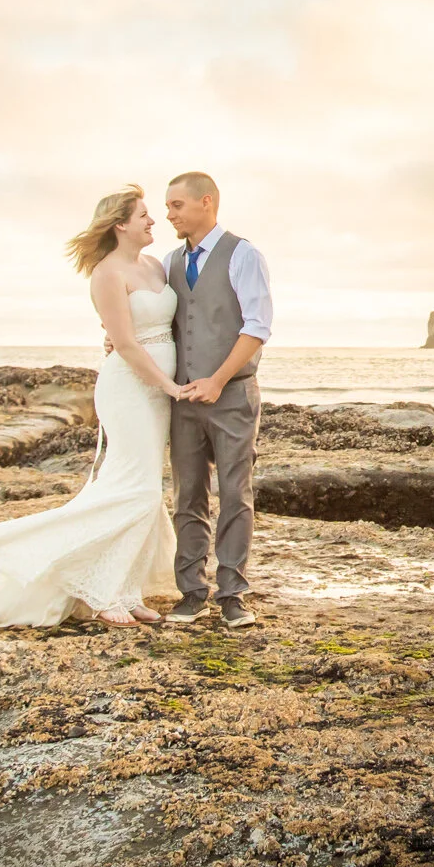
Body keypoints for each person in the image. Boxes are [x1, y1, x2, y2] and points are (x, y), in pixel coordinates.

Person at [0, 185, 181, 634]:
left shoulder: (154, 266)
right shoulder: (106, 274)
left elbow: (168, 325)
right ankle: (102, 592)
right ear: (120, 224)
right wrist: (170, 384)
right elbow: (125, 344)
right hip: (130, 389)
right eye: (145, 215)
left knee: (137, 487)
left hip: (157, 392)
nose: (154, 222)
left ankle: (125, 591)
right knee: (139, 490)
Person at [159, 171, 272, 628]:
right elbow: (169, 326)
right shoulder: (168, 262)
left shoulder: (243, 255)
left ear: (206, 202)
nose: (169, 215)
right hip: (183, 401)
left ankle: (233, 594)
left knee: (234, 494)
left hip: (232, 398)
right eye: (166, 207)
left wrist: (218, 380)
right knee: (187, 495)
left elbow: (257, 328)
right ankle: (191, 591)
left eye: (176, 206)